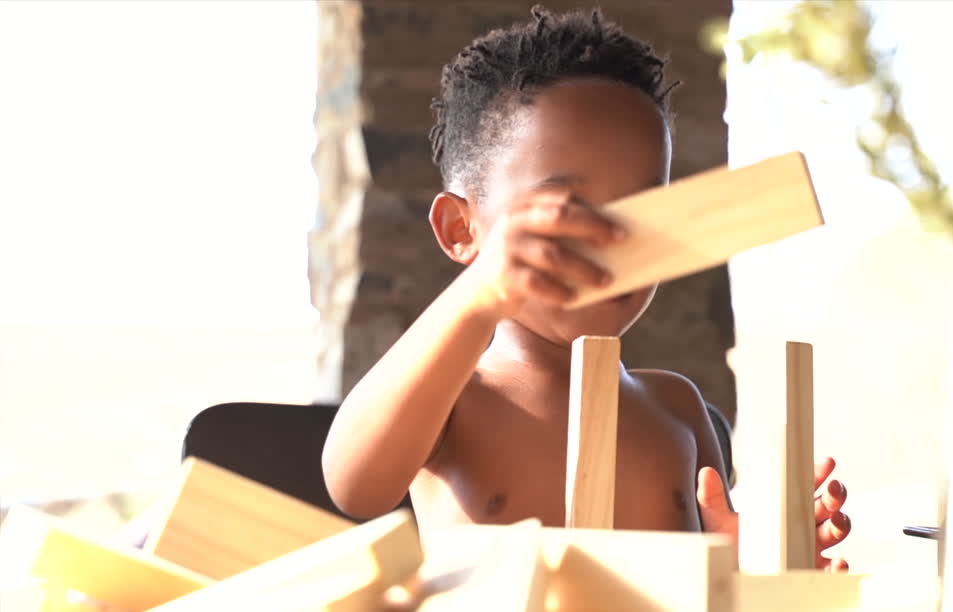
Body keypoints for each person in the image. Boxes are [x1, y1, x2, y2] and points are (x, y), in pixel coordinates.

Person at [321, 5, 851, 571]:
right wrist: (479, 291)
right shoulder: (453, 401)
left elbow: (699, 589)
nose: (608, 240)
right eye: (566, 212)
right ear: (462, 230)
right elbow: (355, 485)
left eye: (642, 210)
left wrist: (751, 564)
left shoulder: (675, 406)